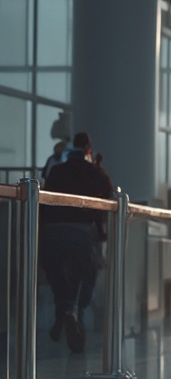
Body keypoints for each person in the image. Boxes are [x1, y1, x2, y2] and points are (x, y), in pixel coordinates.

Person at [40, 132, 113, 352]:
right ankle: (73, 311)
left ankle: (62, 312)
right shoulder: (92, 170)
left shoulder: (57, 168)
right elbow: (108, 191)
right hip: (80, 232)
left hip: (52, 231)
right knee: (86, 274)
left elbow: (44, 194)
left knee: (58, 277)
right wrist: (98, 166)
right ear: (88, 150)